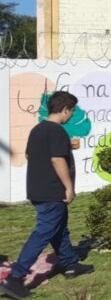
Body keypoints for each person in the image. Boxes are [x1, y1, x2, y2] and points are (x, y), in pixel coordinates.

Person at [0, 92, 93, 300]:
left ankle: (70, 264)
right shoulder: (57, 131)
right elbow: (57, 160)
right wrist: (68, 186)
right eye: (72, 111)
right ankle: (15, 278)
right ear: (65, 109)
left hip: (37, 189)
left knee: (58, 227)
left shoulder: (37, 129)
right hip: (52, 191)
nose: (71, 115)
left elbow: (28, 154)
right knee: (43, 232)